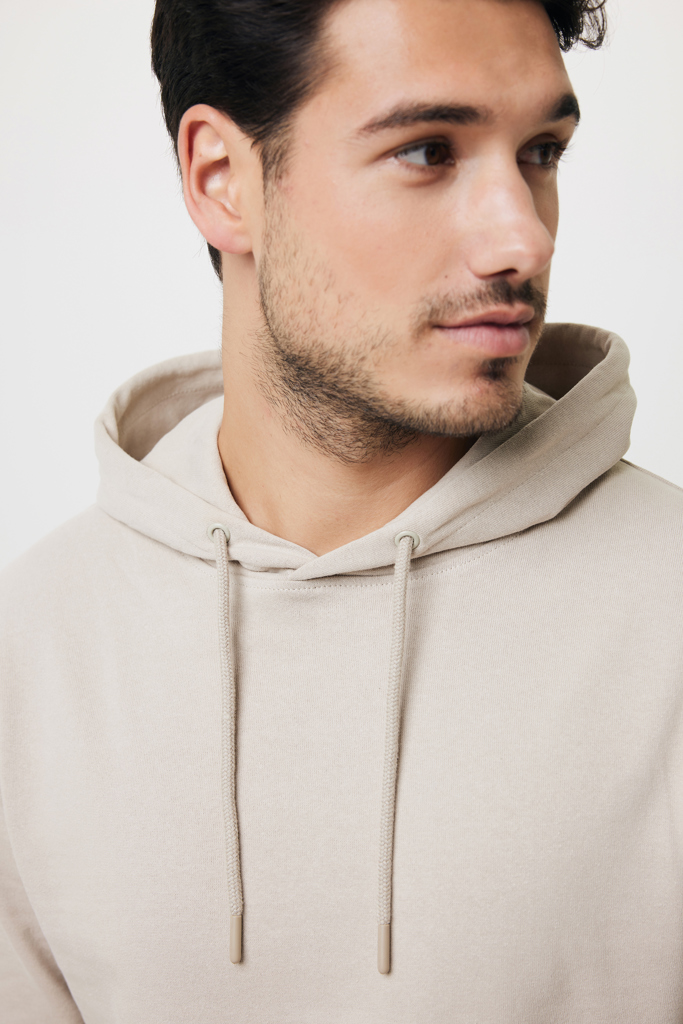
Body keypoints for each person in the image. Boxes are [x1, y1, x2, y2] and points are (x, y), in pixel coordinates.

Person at [2, 0, 683, 1019]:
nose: (522, 238)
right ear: (221, 179)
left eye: (540, 153)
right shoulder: (34, 651)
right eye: (427, 151)